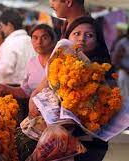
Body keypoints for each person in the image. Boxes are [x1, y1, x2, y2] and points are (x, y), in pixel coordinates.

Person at [29, 17, 111, 161]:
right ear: (67, 37)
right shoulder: (57, 62)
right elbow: (38, 91)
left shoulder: (102, 71)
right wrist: (34, 102)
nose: (82, 39)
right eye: (76, 34)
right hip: (54, 137)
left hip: (89, 143)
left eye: (89, 35)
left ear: (97, 41)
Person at [0, 24, 57, 99]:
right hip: (33, 108)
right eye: (35, 38)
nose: (39, 42)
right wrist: (5, 88)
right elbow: (25, 92)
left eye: (44, 38)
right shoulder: (32, 62)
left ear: (53, 41)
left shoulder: (59, 62)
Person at [0, 10, 36, 85]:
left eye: (2, 26)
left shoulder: (10, 43)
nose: (2, 29)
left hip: (11, 90)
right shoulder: (31, 41)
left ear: (9, 25)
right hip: (30, 89)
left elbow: (5, 70)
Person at [112, 27, 129, 97]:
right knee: (122, 80)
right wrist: (125, 69)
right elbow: (116, 60)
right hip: (124, 70)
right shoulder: (122, 43)